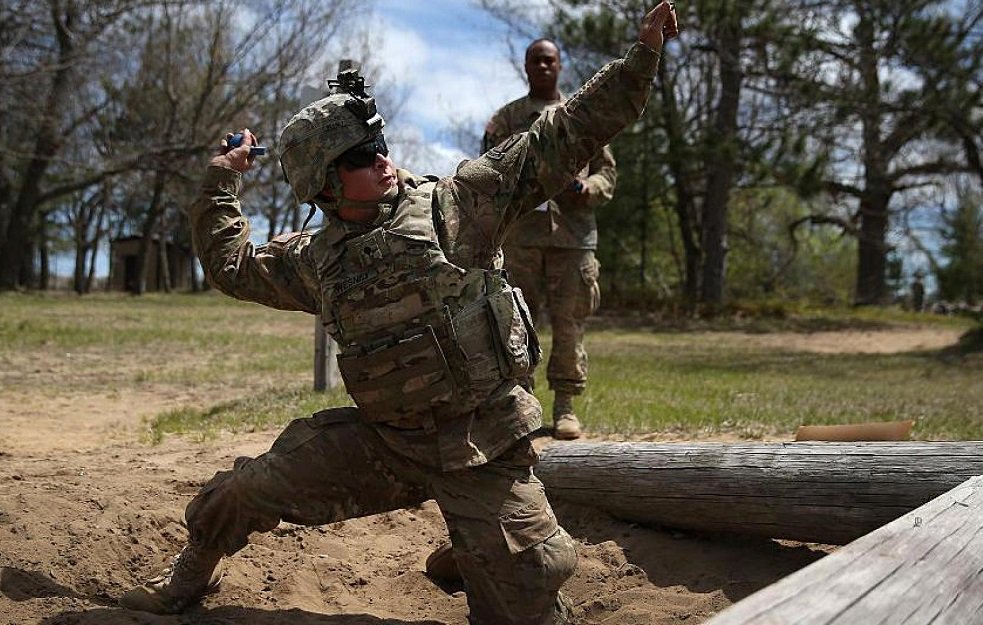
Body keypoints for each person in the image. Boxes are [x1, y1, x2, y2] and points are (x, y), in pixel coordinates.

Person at [118, 4, 678, 623]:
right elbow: (233, 267)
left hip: (481, 447)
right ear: (325, 185)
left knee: (532, 589)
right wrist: (220, 183)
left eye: (378, 144)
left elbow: (566, 132)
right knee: (244, 489)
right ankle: (187, 578)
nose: (381, 158)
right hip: (388, 445)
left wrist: (641, 55)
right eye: (360, 156)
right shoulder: (314, 259)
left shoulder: (461, 204)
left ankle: (475, 553)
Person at [483, 38, 618, 440]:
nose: (542, 66)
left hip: (574, 237)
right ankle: (520, 406)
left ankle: (565, 407)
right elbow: (487, 172)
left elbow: (608, 173)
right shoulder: (506, 119)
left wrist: (586, 188)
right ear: (526, 68)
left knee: (570, 322)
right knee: (517, 323)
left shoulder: (583, 114)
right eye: (535, 61)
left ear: (560, 66)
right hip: (521, 236)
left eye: (549, 60)